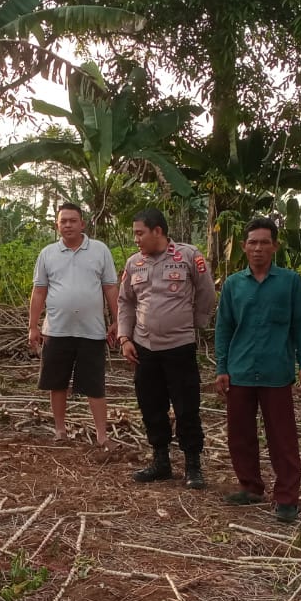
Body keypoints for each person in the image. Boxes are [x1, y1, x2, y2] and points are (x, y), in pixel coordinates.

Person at [214, 217, 301, 522]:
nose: (258, 248)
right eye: (253, 243)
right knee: (240, 434)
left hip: (276, 371)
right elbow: (224, 328)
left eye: (265, 242)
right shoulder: (233, 285)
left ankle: (287, 498)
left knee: (282, 437)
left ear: (275, 247)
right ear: (244, 247)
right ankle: (251, 486)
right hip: (241, 370)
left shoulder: (290, 282)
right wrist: (222, 367)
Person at [117, 208, 217, 489]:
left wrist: (193, 325)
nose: (136, 238)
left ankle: (193, 466)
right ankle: (160, 462)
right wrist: (125, 338)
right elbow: (125, 302)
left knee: (187, 407)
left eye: (140, 233)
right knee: (151, 405)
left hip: (179, 346)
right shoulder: (134, 263)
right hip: (144, 348)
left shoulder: (188, 256)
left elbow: (206, 292)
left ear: (157, 231)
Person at [28, 203, 119, 449]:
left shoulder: (99, 250)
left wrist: (118, 321)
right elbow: (39, 291)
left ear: (82, 223)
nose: (67, 225)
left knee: (95, 383)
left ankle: (102, 435)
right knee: (57, 382)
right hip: (57, 329)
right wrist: (33, 326)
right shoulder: (48, 254)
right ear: (57, 225)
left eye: (72, 220)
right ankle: (60, 430)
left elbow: (110, 287)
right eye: (63, 221)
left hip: (92, 330)